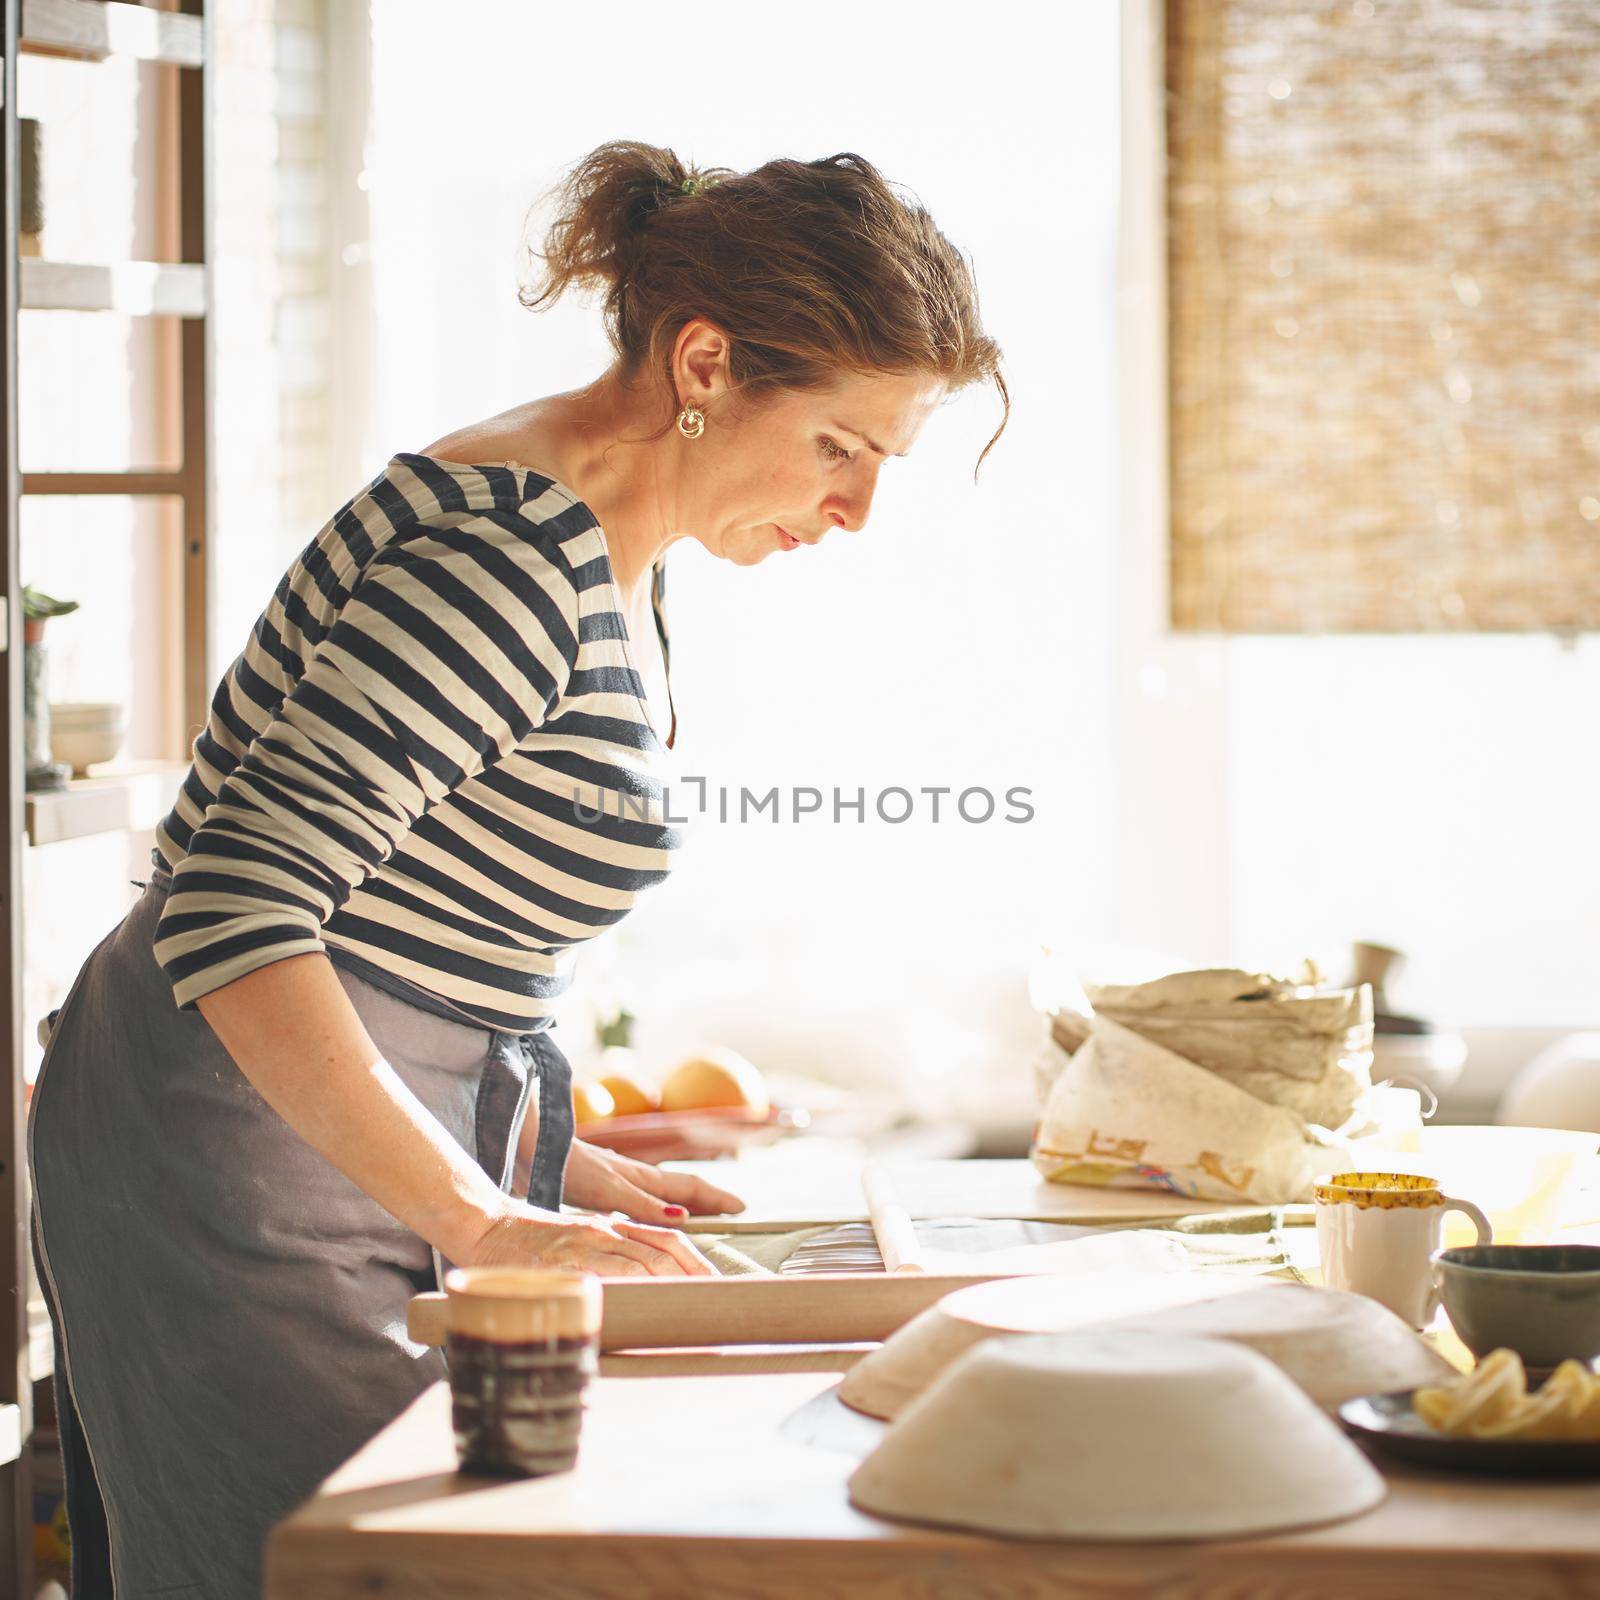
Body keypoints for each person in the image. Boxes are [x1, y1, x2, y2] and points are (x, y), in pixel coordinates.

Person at [28, 138, 1008, 1598]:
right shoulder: (506, 561)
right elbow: (241, 908)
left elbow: (413, 919)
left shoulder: (615, 537)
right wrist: (481, 1214)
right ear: (706, 363)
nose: (858, 511)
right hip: (230, 1153)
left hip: (308, 1122)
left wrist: (535, 1155)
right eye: (839, 447)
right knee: (351, 1571)